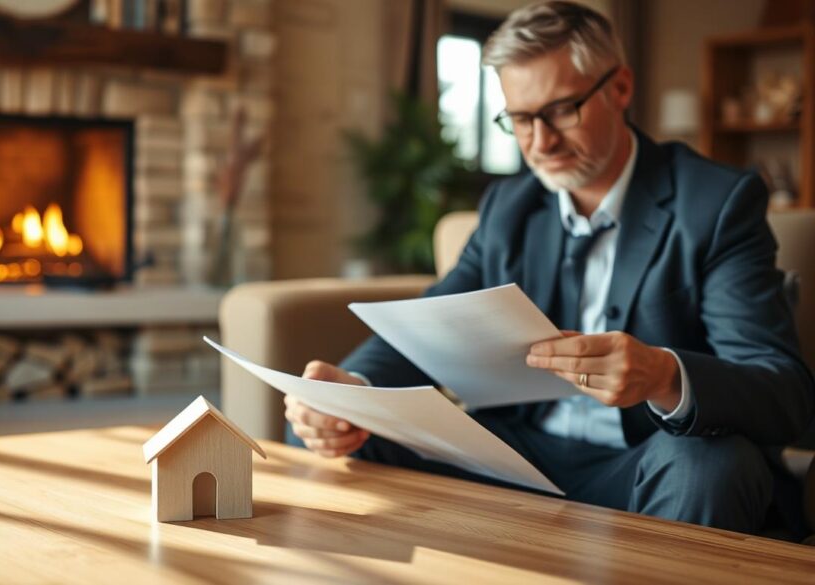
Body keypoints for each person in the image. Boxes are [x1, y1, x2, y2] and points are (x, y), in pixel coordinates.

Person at [284, 0, 814, 535]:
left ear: (621, 88)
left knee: (711, 469)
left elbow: (784, 392)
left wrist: (664, 374)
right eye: (519, 118)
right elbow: (430, 325)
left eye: (562, 109)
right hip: (520, 456)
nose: (540, 142)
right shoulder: (508, 208)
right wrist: (349, 388)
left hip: (646, 462)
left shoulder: (715, 204)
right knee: (339, 429)